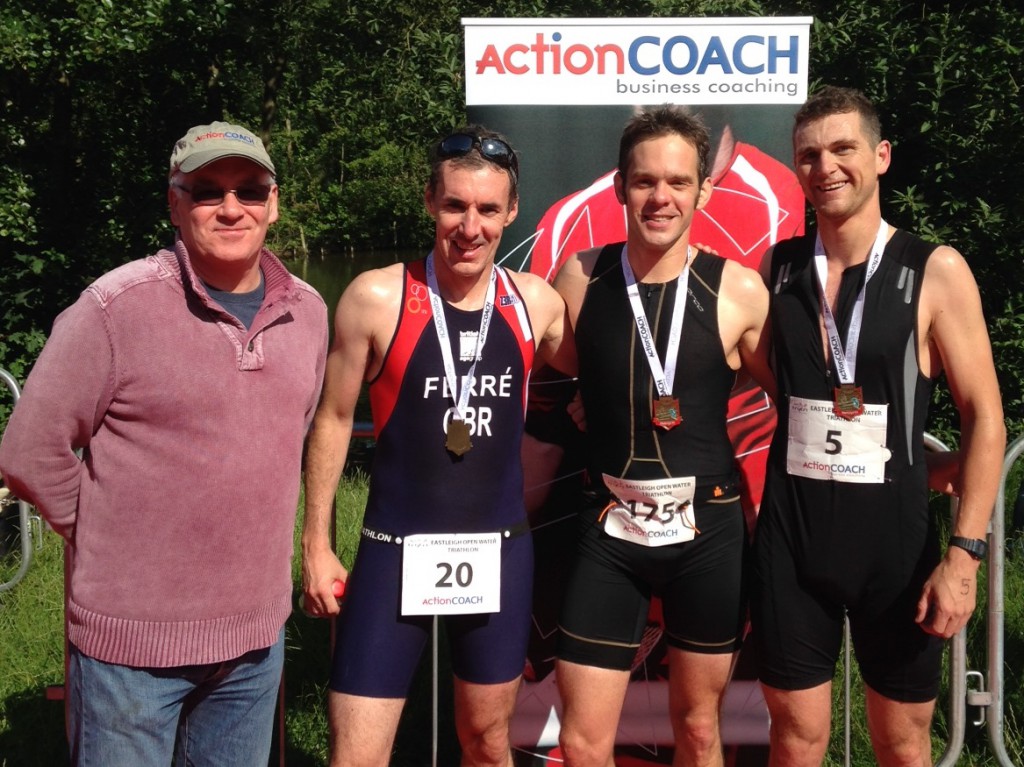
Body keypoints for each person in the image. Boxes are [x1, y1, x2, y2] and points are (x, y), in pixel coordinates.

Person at [0, 122, 328, 765]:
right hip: (132, 651)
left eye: (250, 190)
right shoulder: (115, 307)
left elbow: (294, 437)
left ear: (275, 202)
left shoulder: (308, 312)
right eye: (207, 191)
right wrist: (103, 531)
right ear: (174, 204)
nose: (232, 207)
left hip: (255, 645)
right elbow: (28, 450)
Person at [300, 125, 576, 766]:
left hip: (498, 553)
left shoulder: (537, 304)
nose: (470, 227)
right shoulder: (375, 297)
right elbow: (334, 420)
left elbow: (606, 376)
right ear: (429, 201)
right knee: (357, 757)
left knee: (485, 743)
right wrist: (315, 544)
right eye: (455, 206)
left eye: (487, 209)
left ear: (512, 213)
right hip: (393, 552)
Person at [750, 85, 1006, 766]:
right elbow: (719, 362)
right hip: (792, 543)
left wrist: (966, 554)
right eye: (809, 154)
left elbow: (985, 418)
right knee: (796, 737)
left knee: (900, 741)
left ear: (881, 155)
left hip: (894, 549)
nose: (825, 166)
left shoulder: (936, 269)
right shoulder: (775, 269)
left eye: (843, 148)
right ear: (795, 167)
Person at [547, 106, 773, 767]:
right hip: (608, 530)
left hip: (709, 533)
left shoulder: (739, 290)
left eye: (678, 182)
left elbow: (802, 393)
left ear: (704, 189)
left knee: (699, 731)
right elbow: (552, 364)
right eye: (645, 181)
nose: (661, 197)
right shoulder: (580, 277)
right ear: (619, 186)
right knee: (583, 739)